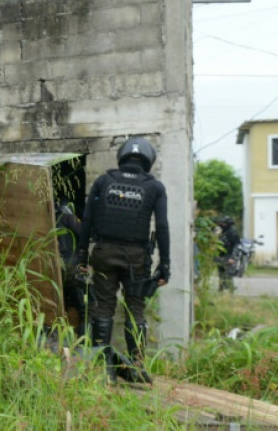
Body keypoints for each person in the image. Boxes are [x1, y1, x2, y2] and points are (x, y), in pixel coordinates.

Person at [77, 137, 169, 384]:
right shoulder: (155, 187)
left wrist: (81, 254)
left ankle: (103, 368)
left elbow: (86, 220)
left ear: (122, 156)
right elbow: (161, 225)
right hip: (137, 259)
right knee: (135, 311)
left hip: (104, 253)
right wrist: (165, 265)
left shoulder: (104, 181)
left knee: (103, 308)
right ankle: (137, 367)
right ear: (148, 159)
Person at [55, 197, 88, 337]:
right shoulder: (67, 217)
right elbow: (83, 233)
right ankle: (82, 336)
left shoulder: (49, 218)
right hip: (71, 266)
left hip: (54, 265)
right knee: (82, 306)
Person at [215, 215, 240, 292]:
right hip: (220, 256)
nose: (221, 224)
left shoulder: (232, 233)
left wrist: (232, 258)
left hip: (229, 256)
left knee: (228, 276)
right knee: (221, 275)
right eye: (221, 223)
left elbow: (236, 246)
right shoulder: (221, 232)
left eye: (223, 223)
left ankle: (231, 293)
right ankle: (220, 291)